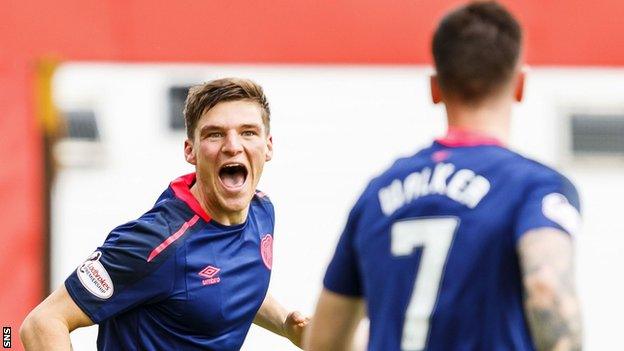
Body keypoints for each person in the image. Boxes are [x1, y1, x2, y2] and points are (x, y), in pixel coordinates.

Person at [306, 2, 583, 350]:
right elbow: (547, 287)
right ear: (520, 84)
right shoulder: (535, 187)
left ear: (435, 88)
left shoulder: (378, 194)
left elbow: (325, 342)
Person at [20, 78, 309, 350]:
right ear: (190, 151)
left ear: (268, 146)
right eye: (214, 134)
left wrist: (285, 324)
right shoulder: (155, 243)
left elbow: (229, 281)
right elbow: (42, 322)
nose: (233, 146)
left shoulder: (261, 211)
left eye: (248, 132)